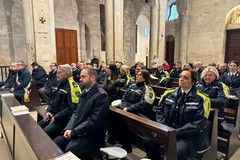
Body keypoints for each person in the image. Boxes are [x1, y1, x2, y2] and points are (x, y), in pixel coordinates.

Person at [144, 68, 211, 160]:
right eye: (180, 76)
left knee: (176, 151)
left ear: (193, 81)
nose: (181, 79)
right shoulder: (169, 93)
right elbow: (159, 110)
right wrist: (163, 127)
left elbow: (198, 123)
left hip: (188, 136)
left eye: (185, 78)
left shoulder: (202, 98)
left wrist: (176, 133)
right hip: (167, 130)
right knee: (148, 141)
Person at [53, 68, 110, 158]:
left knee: (70, 150)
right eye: (80, 76)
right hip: (78, 130)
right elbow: (75, 113)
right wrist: (69, 128)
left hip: (92, 135)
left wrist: (74, 132)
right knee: (56, 142)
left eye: (83, 77)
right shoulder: (84, 91)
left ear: (92, 78)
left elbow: (94, 121)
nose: (80, 79)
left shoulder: (101, 96)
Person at [38, 64, 81, 139]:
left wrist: (56, 117)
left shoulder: (73, 87)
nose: (57, 75)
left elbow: (72, 109)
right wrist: (48, 111)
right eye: (57, 73)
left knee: (45, 132)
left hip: (63, 119)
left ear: (67, 74)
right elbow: (52, 101)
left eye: (59, 73)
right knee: (38, 126)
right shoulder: (60, 84)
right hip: (54, 114)